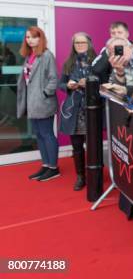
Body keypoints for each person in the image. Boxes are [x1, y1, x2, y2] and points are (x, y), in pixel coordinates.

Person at [16, 27, 60, 181]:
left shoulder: (47, 55)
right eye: (27, 37)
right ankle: (46, 165)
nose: (30, 40)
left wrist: (44, 94)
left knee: (47, 134)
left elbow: (54, 78)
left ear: (40, 38)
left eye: (33, 37)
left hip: (43, 102)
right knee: (39, 135)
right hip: (32, 102)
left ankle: (54, 168)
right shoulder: (29, 56)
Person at [58, 32, 96, 191]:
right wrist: (68, 86)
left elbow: (105, 82)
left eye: (83, 42)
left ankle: (95, 174)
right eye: (77, 43)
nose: (80, 45)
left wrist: (88, 82)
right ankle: (81, 177)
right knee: (77, 146)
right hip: (74, 110)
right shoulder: (69, 63)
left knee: (93, 146)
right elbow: (60, 84)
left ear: (89, 43)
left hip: (91, 109)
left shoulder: (97, 61)